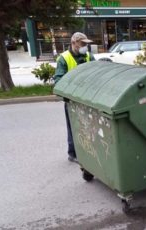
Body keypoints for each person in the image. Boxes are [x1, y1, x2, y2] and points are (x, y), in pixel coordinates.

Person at [54, 32, 95, 162]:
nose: (85, 47)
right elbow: (59, 81)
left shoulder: (89, 56)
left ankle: (89, 151)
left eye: (86, 44)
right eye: (82, 44)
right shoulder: (64, 58)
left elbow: (98, 72)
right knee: (74, 126)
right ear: (73, 43)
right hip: (73, 100)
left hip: (89, 98)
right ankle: (73, 153)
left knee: (89, 126)